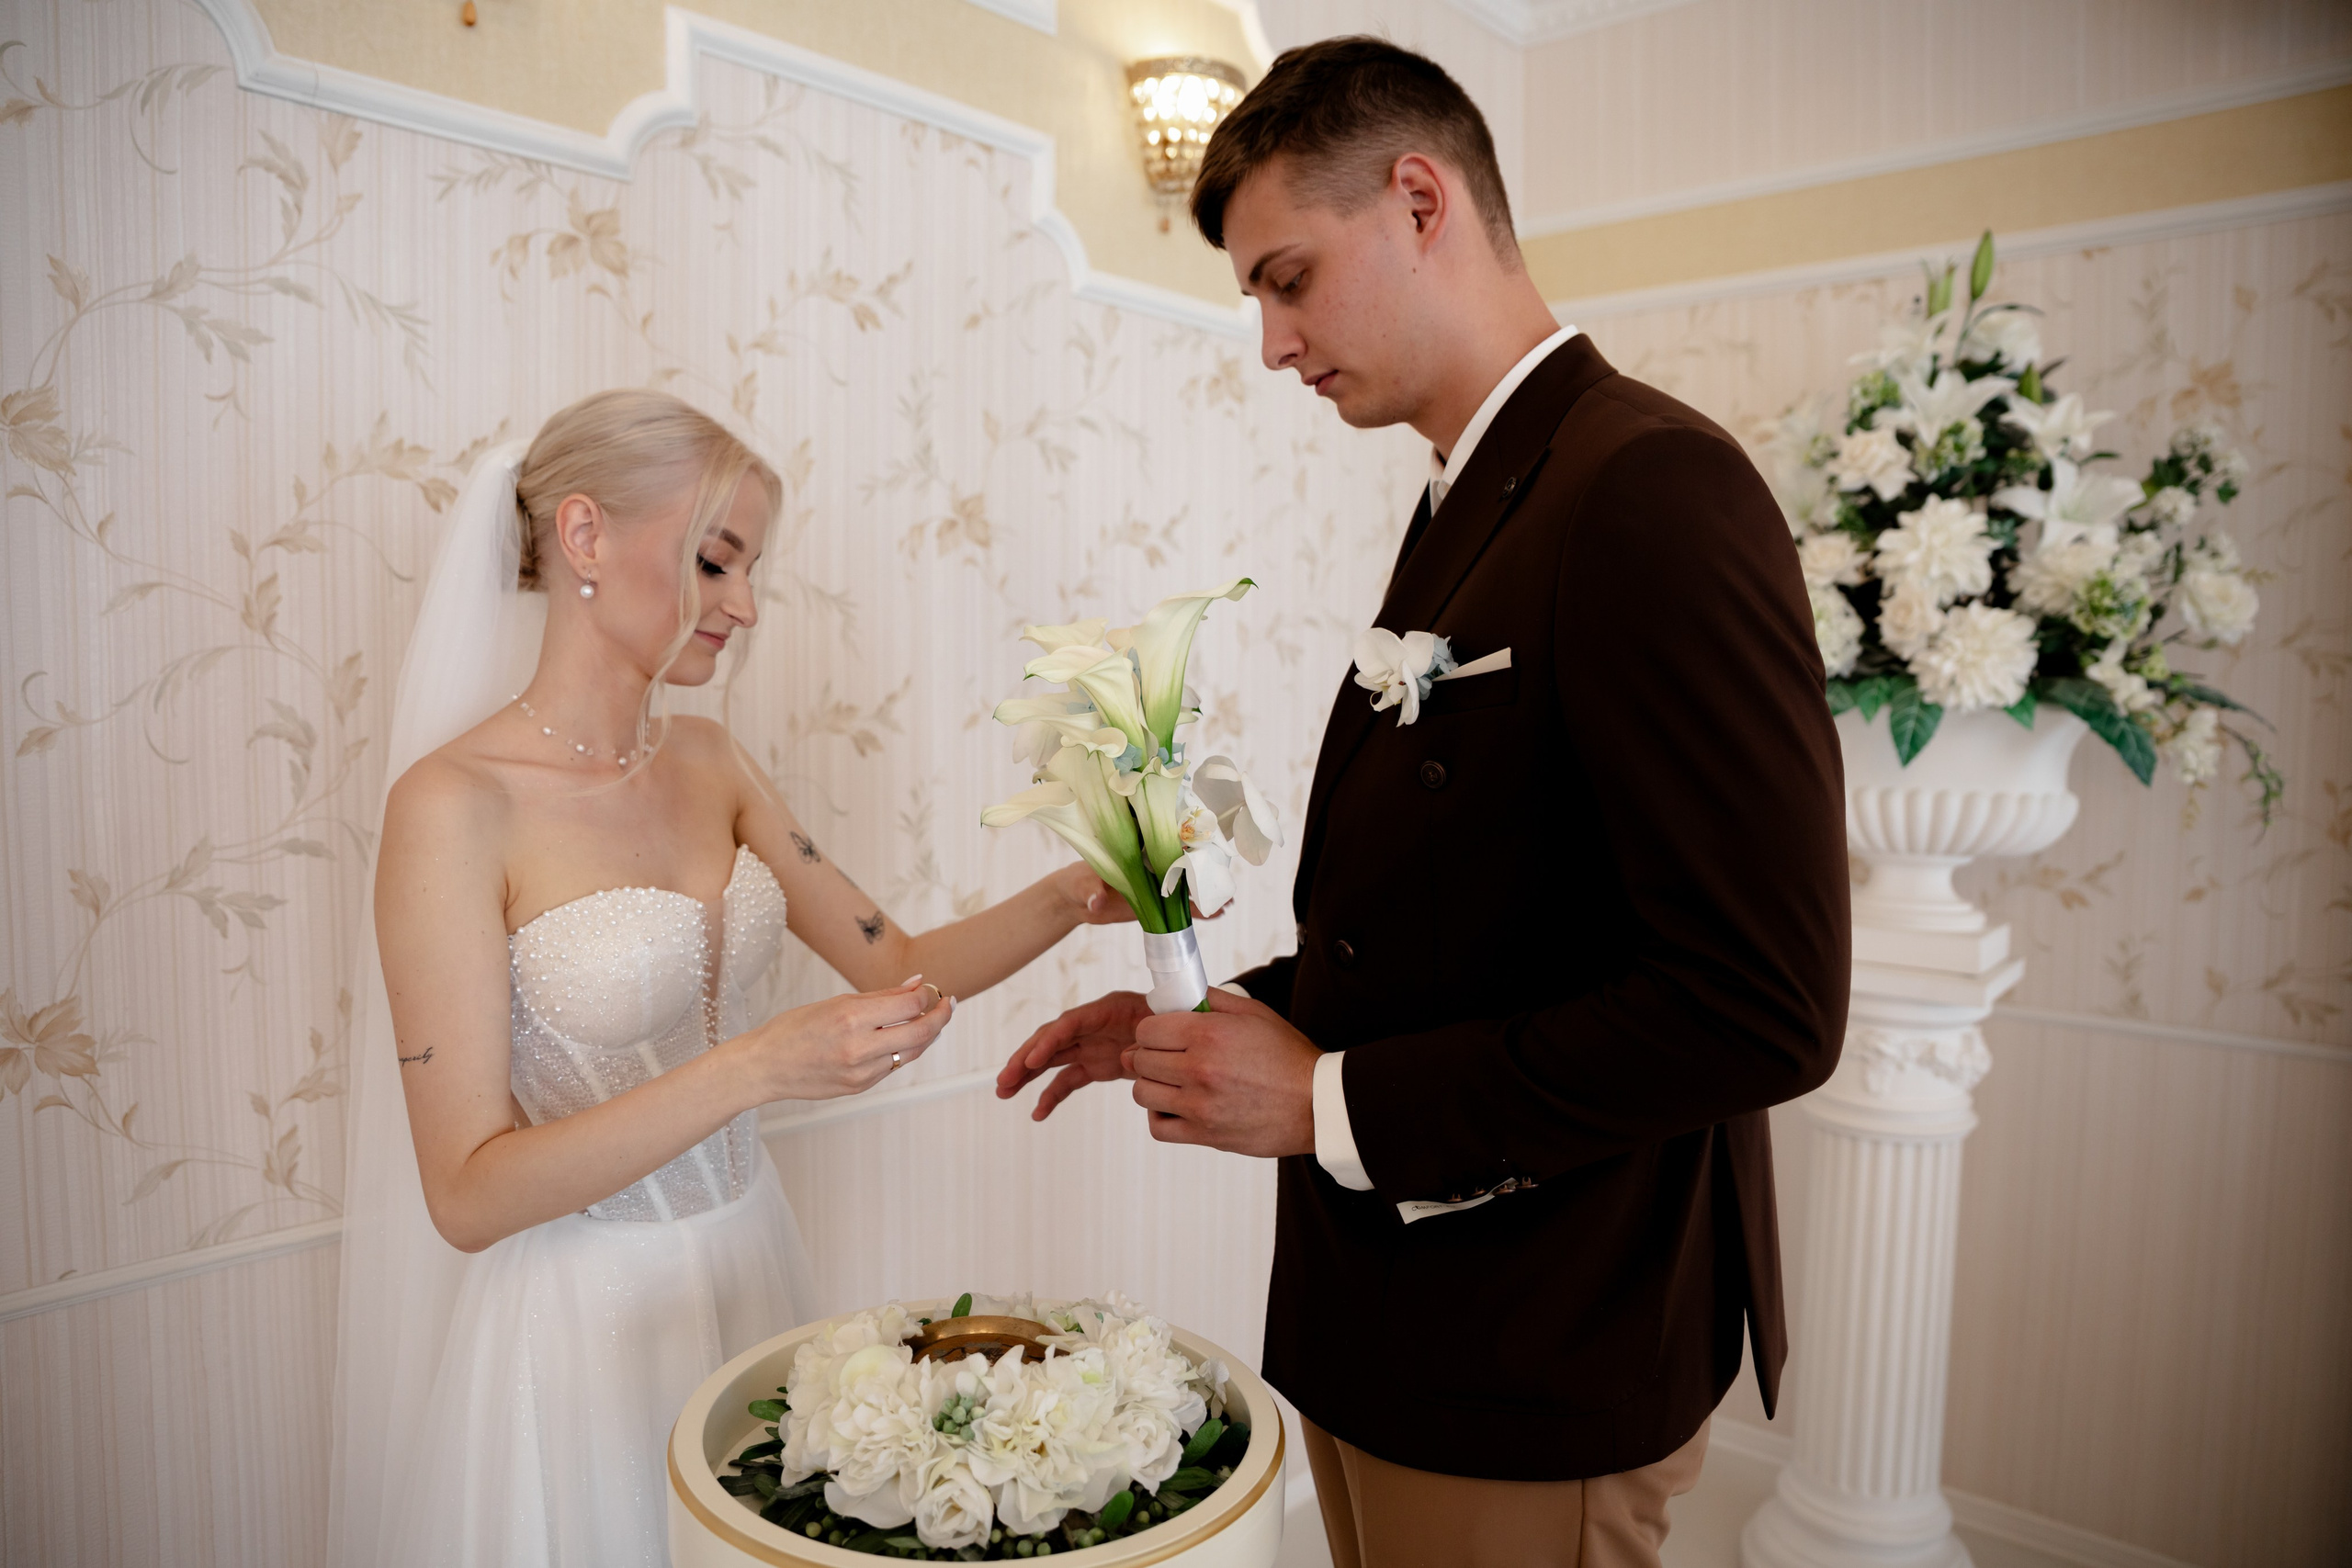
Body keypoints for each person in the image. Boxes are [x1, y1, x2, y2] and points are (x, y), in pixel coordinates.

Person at [997, 38, 1849, 1568]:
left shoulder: (1650, 487)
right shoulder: (1471, 488)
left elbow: (1760, 1004)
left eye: (1289, 277)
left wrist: (1322, 1101)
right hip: (1382, 1324)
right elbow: (1485, 907)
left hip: (1536, 1343)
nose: (1270, 342)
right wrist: (1231, 1020)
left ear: (1418, 198)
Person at [330, 389, 1133, 1567]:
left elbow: (895, 964)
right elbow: (467, 1193)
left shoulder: (710, 760)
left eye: (751, 568)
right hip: (580, 1324)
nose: (746, 607)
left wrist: (1077, 893)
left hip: (750, 1263)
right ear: (585, 537)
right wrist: (755, 1067)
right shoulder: (454, 808)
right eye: (716, 562)